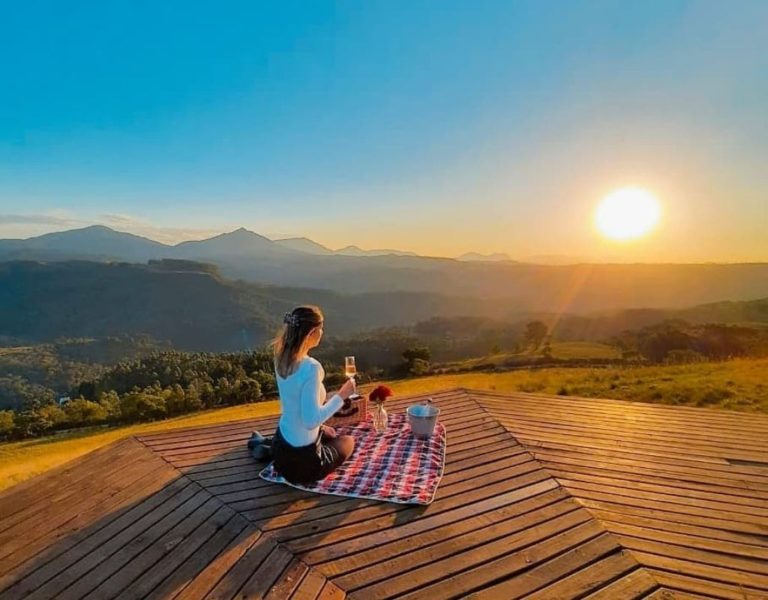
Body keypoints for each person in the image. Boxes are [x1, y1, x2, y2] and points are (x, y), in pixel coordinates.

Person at [270, 305, 356, 484]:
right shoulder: (311, 368)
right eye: (321, 328)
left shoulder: (280, 357)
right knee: (349, 441)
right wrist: (341, 395)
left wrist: (322, 428)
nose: (322, 332)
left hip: (280, 450)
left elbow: (294, 404)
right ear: (312, 333)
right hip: (304, 465)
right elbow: (310, 421)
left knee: (330, 435)